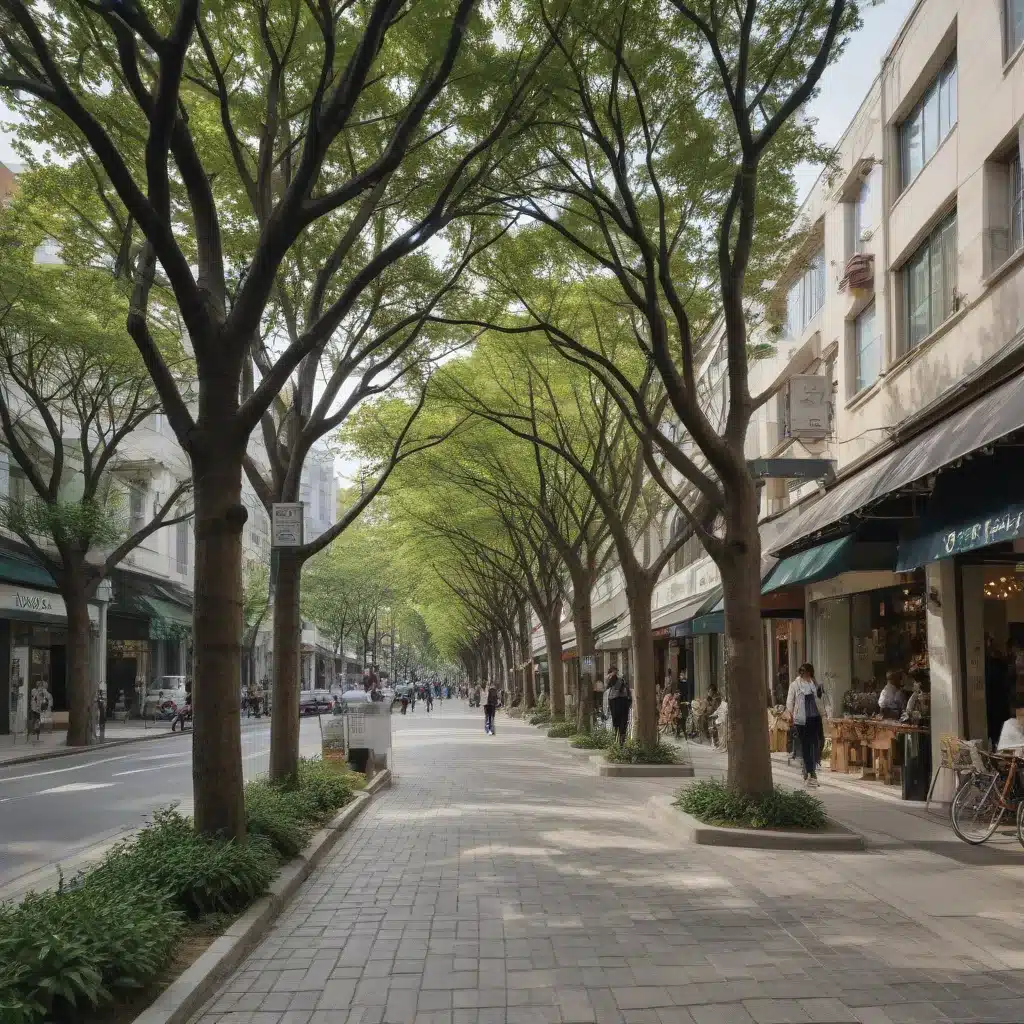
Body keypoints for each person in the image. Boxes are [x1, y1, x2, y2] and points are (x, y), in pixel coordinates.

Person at [786, 663, 824, 785]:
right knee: (806, 745)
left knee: (817, 743)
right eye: (802, 672)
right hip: (802, 720)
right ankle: (810, 771)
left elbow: (821, 699)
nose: (805, 674)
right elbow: (790, 702)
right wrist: (791, 716)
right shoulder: (795, 685)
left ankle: (810, 768)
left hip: (815, 718)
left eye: (807, 672)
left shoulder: (814, 683)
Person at [606, 666, 631, 745]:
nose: (616, 672)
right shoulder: (614, 679)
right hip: (617, 701)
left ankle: (620, 740)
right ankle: (619, 740)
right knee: (619, 722)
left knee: (619, 722)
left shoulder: (621, 679)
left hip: (619, 701)